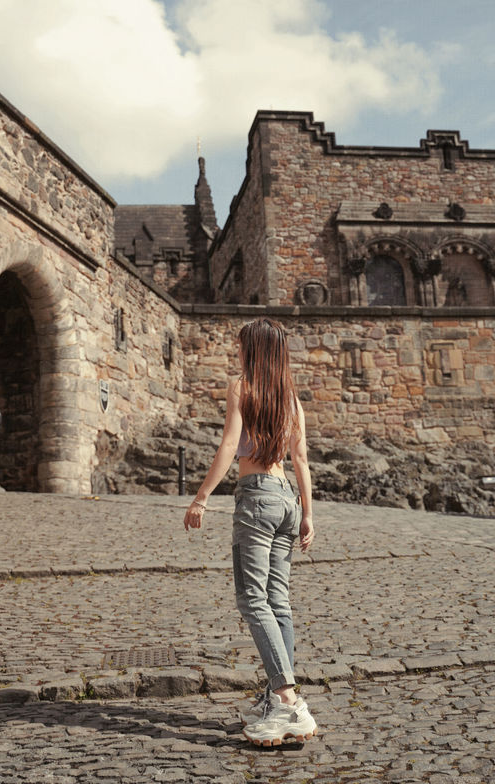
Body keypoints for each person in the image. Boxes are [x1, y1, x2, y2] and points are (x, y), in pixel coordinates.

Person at [184, 318, 317, 748]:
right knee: (278, 601)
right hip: (287, 501)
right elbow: (301, 460)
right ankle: (280, 698)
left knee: (252, 599)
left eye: (241, 346)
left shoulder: (243, 387)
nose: (237, 352)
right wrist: (308, 515)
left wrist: (202, 496)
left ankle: (285, 699)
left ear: (253, 350)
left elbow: (228, 445)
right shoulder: (291, 399)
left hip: (257, 499)